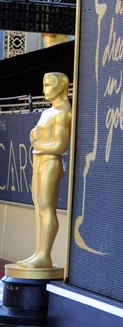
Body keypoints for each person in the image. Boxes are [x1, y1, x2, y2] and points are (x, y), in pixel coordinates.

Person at [17, 72, 72, 269]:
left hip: (50, 161)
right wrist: (37, 141)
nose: (44, 90)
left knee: (47, 208)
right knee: (39, 208)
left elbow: (59, 145)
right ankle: (39, 252)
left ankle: (44, 255)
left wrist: (37, 142)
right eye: (44, 85)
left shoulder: (64, 112)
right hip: (39, 160)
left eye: (49, 85)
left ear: (61, 87)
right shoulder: (47, 112)